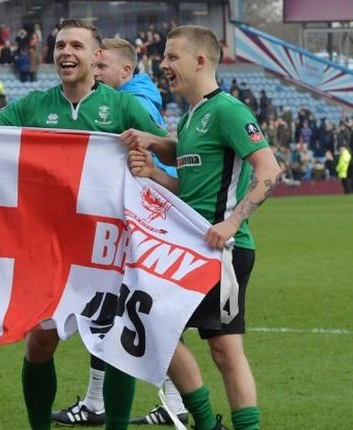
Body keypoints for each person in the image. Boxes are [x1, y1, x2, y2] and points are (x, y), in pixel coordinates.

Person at [0, 19, 170, 430]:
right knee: (40, 343)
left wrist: (147, 153)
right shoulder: (36, 105)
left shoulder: (123, 106)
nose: (65, 52)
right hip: (50, 249)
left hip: (105, 248)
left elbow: (166, 147)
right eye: (60, 45)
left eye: (76, 45)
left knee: (114, 346)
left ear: (96, 56)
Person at [123, 25, 282, 430]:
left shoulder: (228, 110)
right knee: (156, 328)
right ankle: (207, 423)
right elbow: (192, 187)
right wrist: (157, 173)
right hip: (191, 247)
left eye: (172, 57)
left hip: (223, 252)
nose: (163, 65)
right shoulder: (192, 118)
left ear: (199, 61)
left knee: (225, 350)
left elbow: (268, 169)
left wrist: (232, 222)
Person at [51, 37, 186, 427]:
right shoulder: (117, 99)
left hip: (142, 220)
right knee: (110, 313)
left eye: (102, 66)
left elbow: (167, 150)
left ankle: (174, 403)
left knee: (142, 314)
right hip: (122, 222)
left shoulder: (132, 104)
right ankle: (98, 402)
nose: (95, 72)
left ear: (125, 71)